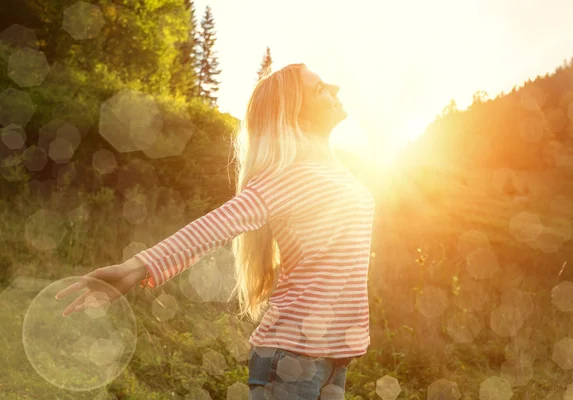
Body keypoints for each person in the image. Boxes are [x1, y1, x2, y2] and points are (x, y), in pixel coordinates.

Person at [55, 63, 375, 399]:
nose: (335, 87)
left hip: (335, 358)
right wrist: (134, 269)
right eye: (320, 88)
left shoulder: (335, 172)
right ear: (294, 112)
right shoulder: (286, 176)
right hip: (292, 359)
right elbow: (213, 228)